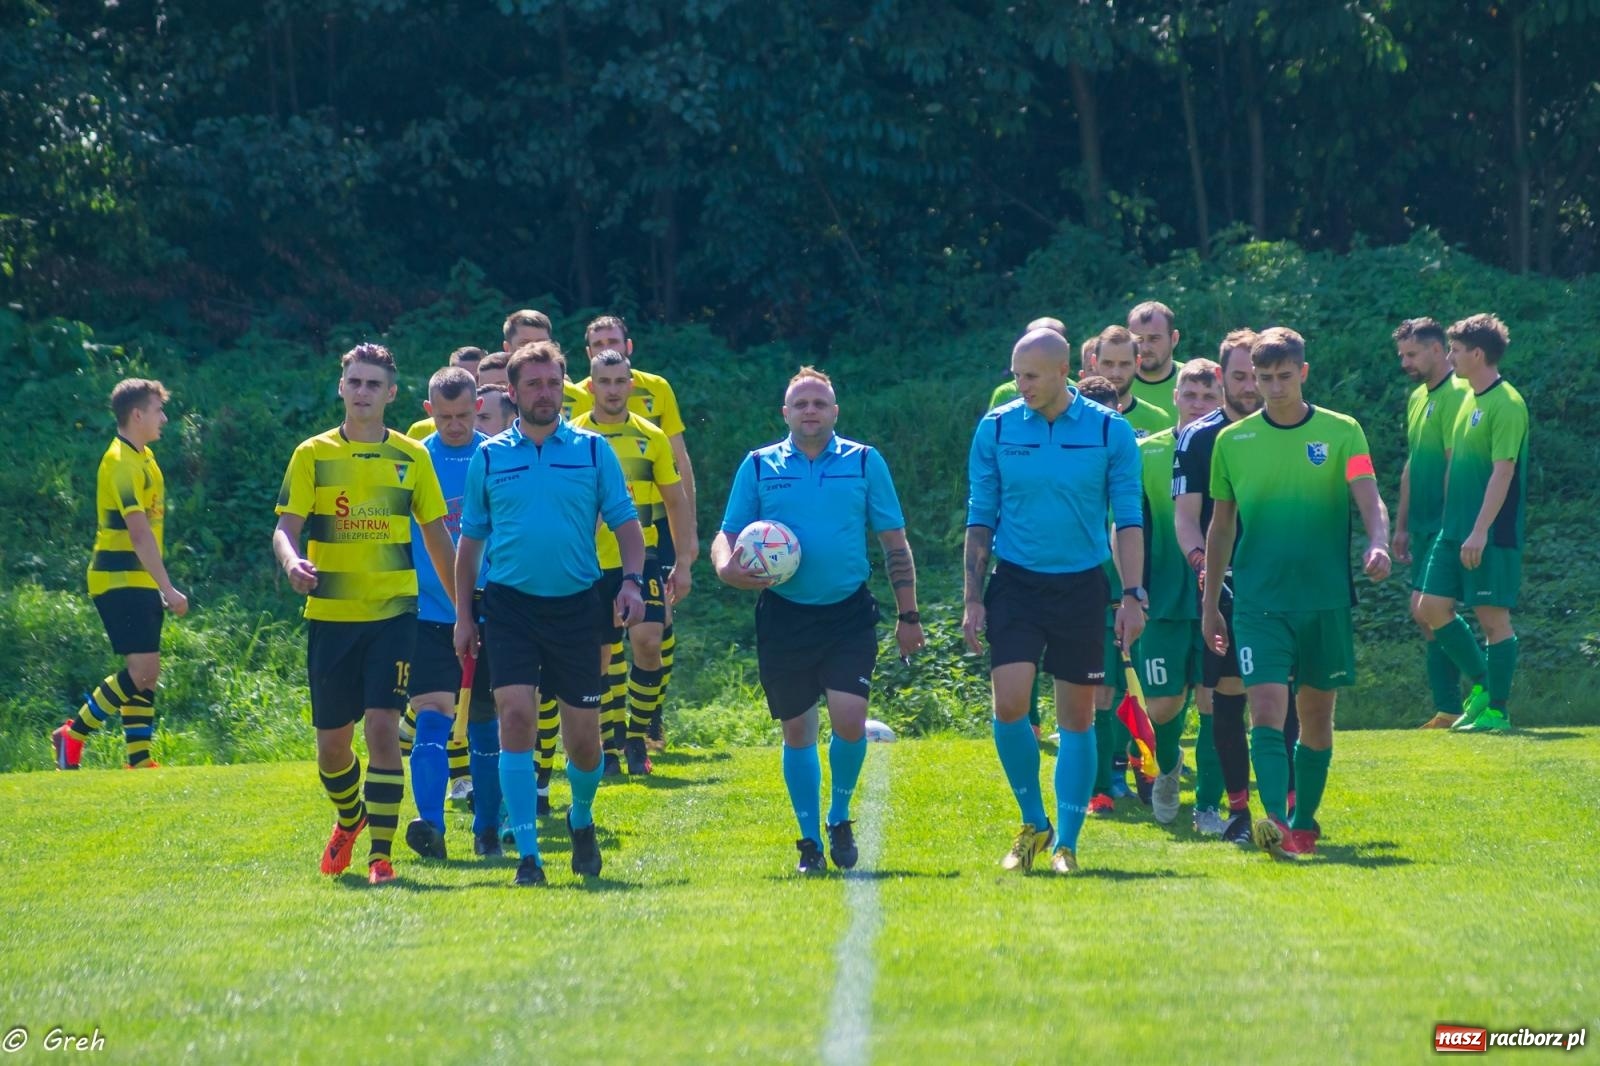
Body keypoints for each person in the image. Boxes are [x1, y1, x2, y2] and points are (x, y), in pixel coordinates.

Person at [712, 367, 922, 874]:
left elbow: (894, 543)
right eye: (800, 403)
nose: (810, 410)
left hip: (848, 612)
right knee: (798, 732)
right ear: (785, 413)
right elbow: (727, 533)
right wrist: (726, 567)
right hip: (784, 617)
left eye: (819, 403)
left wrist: (908, 614)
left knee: (850, 720)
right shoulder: (760, 465)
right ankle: (808, 841)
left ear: (835, 412)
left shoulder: (864, 462)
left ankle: (839, 815)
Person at [454, 341, 646, 887]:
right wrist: (465, 618)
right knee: (516, 716)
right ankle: (529, 854)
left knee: (582, 737)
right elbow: (470, 547)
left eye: (553, 383)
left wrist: (631, 583)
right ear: (511, 393)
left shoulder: (591, 452)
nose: (545, 393)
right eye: (534, 384)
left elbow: (627, 529)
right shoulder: (489, 458)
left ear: (565, 388)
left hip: (577, 608)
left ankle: (580, 817)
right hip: (510, 606)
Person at [1201, 327, 1391, 859]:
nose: (1275, 387)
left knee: (1315, 716)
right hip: (1259, 600)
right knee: (1263, 707)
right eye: (1264, 378)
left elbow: (1369, 497)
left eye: (1285, 376)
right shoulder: (1231, 443)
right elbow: (1219, 528)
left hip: (1324, 599)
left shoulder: (1342, 431)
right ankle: (1276, 822)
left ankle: (1305, 820)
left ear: (1303, 372)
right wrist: (1211, 603)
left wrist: (1378, 543)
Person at [272, 344, 457, 885]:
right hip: (331, 617)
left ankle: (382, 857)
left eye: (373, 384)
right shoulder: (312, 455)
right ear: (341, 387)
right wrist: (291, 562)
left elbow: (438, 536)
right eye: (354, 382)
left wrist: (463, 611)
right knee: (333, 747)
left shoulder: (411, 457)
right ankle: (349, 819)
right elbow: (286, 528)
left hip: (394, 615)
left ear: (392, 393)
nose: (362, 392)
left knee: (381, 728)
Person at [965, 329, 1144, 875]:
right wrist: (973, 598)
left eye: (1032, 375)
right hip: (1016, 582)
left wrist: (1132, 593)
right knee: (1010, 704)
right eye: (1016, 374)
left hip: (1082, 586)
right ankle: (1033, 822)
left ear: (1064, 370)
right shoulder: (995, 428)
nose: (1021, 385)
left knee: (1077, 718)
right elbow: (980, 516)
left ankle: (1066, 842)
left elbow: (1128, 518)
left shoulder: (1110, 430)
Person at [1173, 329, 1282, 842]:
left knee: (1289, 693)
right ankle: (1237, 812)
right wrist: (1203, 566)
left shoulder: (1292, 430)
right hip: (1226, 585)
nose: (1249, 386)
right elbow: (1186, 517)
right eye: (1238, 376)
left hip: (1285, 584)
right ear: (1222, 378)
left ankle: (1287, 809)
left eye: (1253, 376)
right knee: (1226, 695)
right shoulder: (1198, 438)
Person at [572, 349, 699, 776]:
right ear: (591, 386)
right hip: (588, 565)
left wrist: (682, 560)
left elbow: (675, 501)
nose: (612, 389)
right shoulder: (572, 437)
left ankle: (636, 736)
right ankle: (607, 746)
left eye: (619, 381)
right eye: (603, 382)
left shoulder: (652, 437)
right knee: (599, 656)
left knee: (647, 644)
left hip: (639, 558)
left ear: (630, 385)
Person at [54, 379, 190, 770]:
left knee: (145, 672)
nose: (163, 418)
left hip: (138, 579)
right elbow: (138, 531)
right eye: (157, 411)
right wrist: (167, 586)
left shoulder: (144, 457)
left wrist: (157, 582)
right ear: (137, 414)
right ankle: (72, 735)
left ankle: (139, 757)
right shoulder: (119, 462)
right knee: (143, 671)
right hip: (118, 579)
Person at [401, 367, 498, 860]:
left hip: (491, 610)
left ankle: (487, 828)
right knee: (432, 714)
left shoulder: (496, 457)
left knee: (486, 722)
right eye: (445, 416)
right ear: (428, 411)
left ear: (479, 405)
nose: (455, 425)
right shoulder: (414, 461)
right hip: (430, 614)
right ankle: (431, 826)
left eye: (463, 415)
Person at [1414, 314, 1525, 733]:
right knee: (1431, 608)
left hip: (1490, 531)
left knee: (1493, 619)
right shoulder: (1467, 400)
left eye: (1457, 350)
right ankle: (1481, 683)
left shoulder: (1507, 403)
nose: (1452, 358)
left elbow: (1503, 472)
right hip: (1453, 528)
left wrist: (1479, 530)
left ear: (1477, 354)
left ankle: (1498, 708)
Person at [1138, 359, 1223, 825]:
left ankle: (1207, 804)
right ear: (1175, 397)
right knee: (1163, 704)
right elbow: (1130, 523)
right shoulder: (1146, 451)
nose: (1198, 405)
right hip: (1163, 598)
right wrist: (1132, 588)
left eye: (1209, 397)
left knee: (1215, 700)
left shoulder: (1230, 448)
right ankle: (1168, 768)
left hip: (1217, 597)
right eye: (1191, 395)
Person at [1392, 318, 1474, 728]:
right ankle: (1450, 709)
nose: (1405, 362)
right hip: (1421, 525)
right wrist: (1402, 525)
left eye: (1412, 354)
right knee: (1425, 614)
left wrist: (1450, 523)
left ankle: (1486, 687)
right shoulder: (1416, 398)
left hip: (1447, 523)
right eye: (1402, 355)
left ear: (1438, 349)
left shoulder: (1459, 393)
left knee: (1429, 608)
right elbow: (1412, 465)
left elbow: (1451, 463)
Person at [1095, 325, 1174, 438]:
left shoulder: (1158, 420)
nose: (1116, 373)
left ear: (1137, 363)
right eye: (1108, 363)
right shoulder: (1076, 414)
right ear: (1094, 362)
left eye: (1125, 364)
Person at [406, 346, 488, 439]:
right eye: (461, 378)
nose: (471, 385)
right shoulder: (420, 430)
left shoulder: (501, 426)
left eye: (477, 379)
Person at [990, 317, 1068, 410]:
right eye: (1017, 375)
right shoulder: (1004, 397)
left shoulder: (1078, 390)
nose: (1022, 388)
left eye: (1032, 376)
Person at [1128, 300, 1185, 411]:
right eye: (1138, 339)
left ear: (1174, 338)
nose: (1145, 348)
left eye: (1154, 339)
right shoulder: (1118, 384)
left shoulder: (1195, 383)